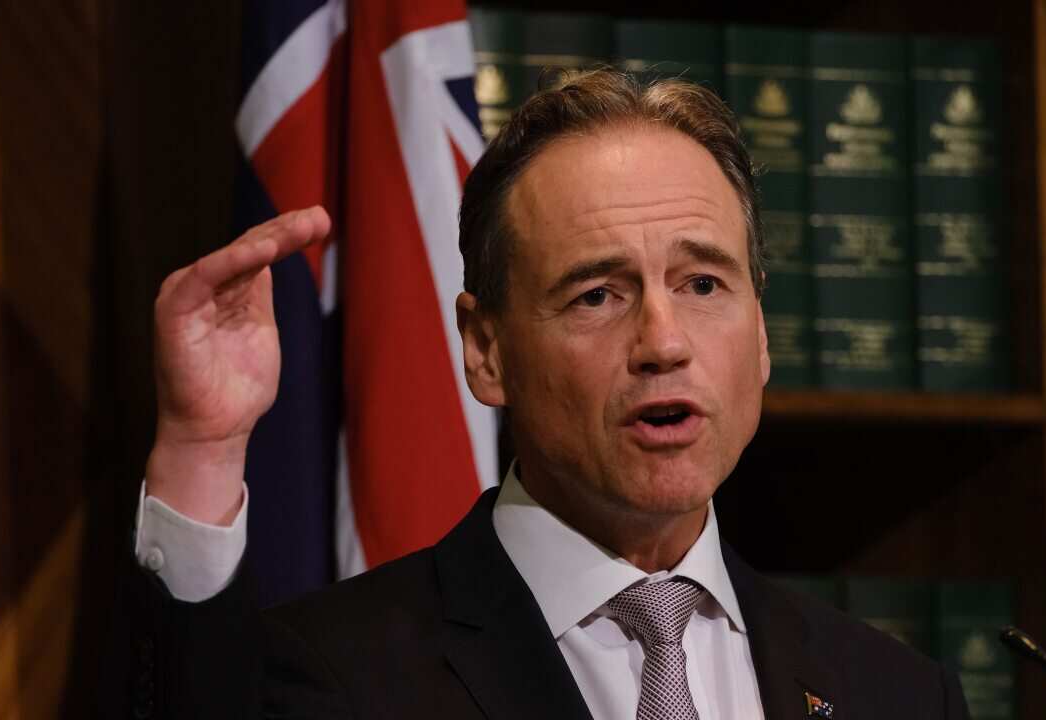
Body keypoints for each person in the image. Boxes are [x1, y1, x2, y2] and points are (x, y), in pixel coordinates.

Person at [122, 69, 969, 719]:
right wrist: (201, 450)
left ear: (763, 334)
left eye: (704, 284)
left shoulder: (897, 693)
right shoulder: (334, 674)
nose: (664, 343)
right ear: (486, 351)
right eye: (597, 294)